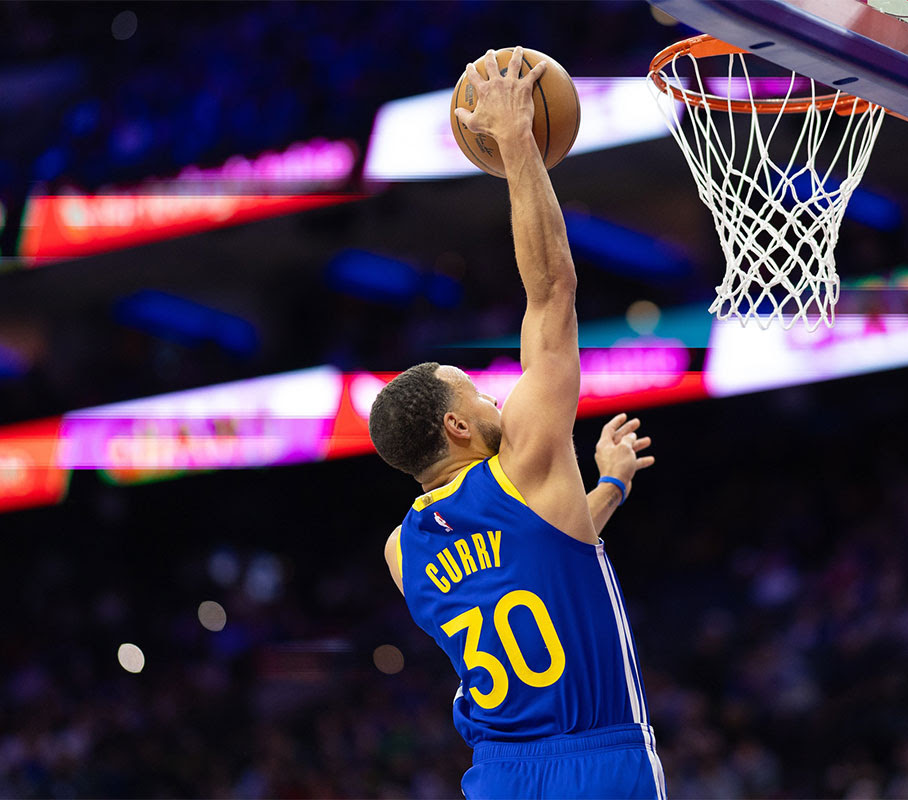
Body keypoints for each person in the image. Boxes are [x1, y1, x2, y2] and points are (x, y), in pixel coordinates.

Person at [367, 47, 666, 800]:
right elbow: (552, 292)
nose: (497, 400)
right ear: (457, 429)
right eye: (479, 396)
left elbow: (541, 561)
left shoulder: (403, 553)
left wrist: (610, 490)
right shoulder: (526, 462)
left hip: (499, 777)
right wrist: (518, 144)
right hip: (598, 761)